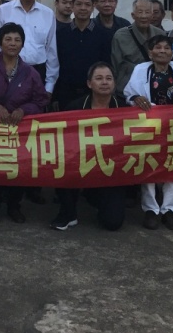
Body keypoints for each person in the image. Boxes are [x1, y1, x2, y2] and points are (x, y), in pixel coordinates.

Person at [0, 22, 50, 224]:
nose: (12, 44)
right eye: (8, 39)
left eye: (17, 40)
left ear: (22, 44)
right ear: (0, 42)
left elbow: (41, 100)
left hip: (19, 129)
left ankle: (15, 206)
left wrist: (23, 110)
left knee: (18, 167)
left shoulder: (30, 72)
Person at [124, 35, 173, 231]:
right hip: (148, 123)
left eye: (166, 48)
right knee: (149, 164)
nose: (162, 51)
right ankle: (151, 209)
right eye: (158, 47)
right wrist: (136, 98)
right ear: (150, 52)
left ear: (172, 52)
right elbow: (129, 93)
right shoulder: (140, 69)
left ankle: (169, 209)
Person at [51, 62, 127, 232]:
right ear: (89, 83)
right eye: (99, 78)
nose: (104, 82)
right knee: (62, 166)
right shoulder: (75, 107)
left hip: (111, 168)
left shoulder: (125, 109)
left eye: (109, 78)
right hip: (80, 163)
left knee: (113, 223)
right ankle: (68, 213)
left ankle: (95, 198)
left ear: (114, 83)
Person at [0, 0, 59, 95]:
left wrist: (49, 86)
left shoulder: (48, 13)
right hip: (8, 71)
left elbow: (51, 50)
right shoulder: (3, 10)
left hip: (38, 70)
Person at [54, 0, 112, 110]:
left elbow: (106, 64)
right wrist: (55, 96)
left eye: (87, 4)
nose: (83, 8)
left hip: (93, 94)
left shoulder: (104, 35)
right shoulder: (60, 34)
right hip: (65, 93)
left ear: (93, 7)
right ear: (72, 6)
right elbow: (55, 64)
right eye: (79, 4)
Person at [110, 0, 165, 94]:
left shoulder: (160, 34)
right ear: (133, 15)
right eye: (140, 12)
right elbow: (115, 66)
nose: (143, 16)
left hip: (155, 88)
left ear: (152, 15)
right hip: (127, 89)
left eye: (147, 12)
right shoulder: (121, 35)